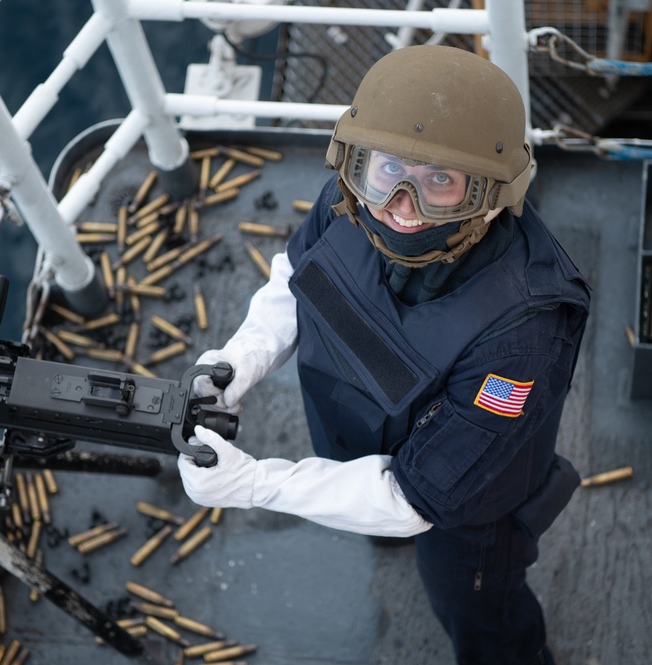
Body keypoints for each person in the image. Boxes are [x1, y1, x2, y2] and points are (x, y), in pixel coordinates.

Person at [177, 45, 591, 665]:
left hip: (467, 505)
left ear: (489, 195)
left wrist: (256, 484)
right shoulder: (350, 201)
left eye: (439, 183)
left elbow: (415, 498)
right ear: (358, 160)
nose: (401, 204)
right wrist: (237, 363)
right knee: (373, 515)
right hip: (357, 433)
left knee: (479, 611)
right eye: (389, 169)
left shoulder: (521, 332)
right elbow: (297, 277)